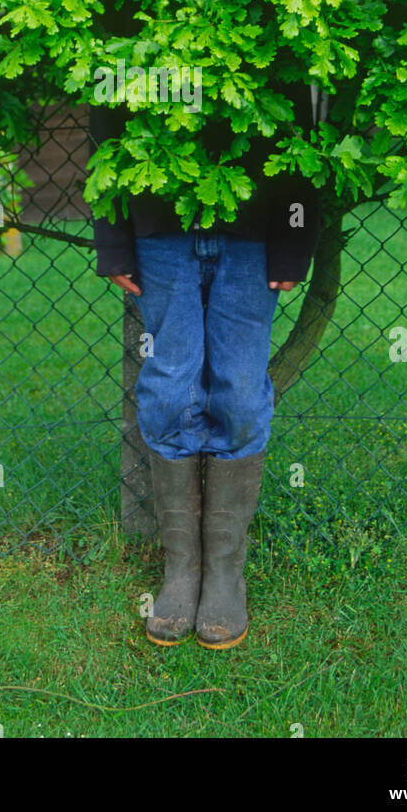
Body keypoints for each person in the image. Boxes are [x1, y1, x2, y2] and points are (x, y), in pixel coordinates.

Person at [88, 86, 320, 649]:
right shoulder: (139, 14)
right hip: (159, 230)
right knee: (168, 392)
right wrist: (113, 237)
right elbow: (108, 126)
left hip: (254, 231)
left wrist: (294, 237)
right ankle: (181, 571)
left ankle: (223, 575)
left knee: (239, 396)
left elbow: (301, 130)